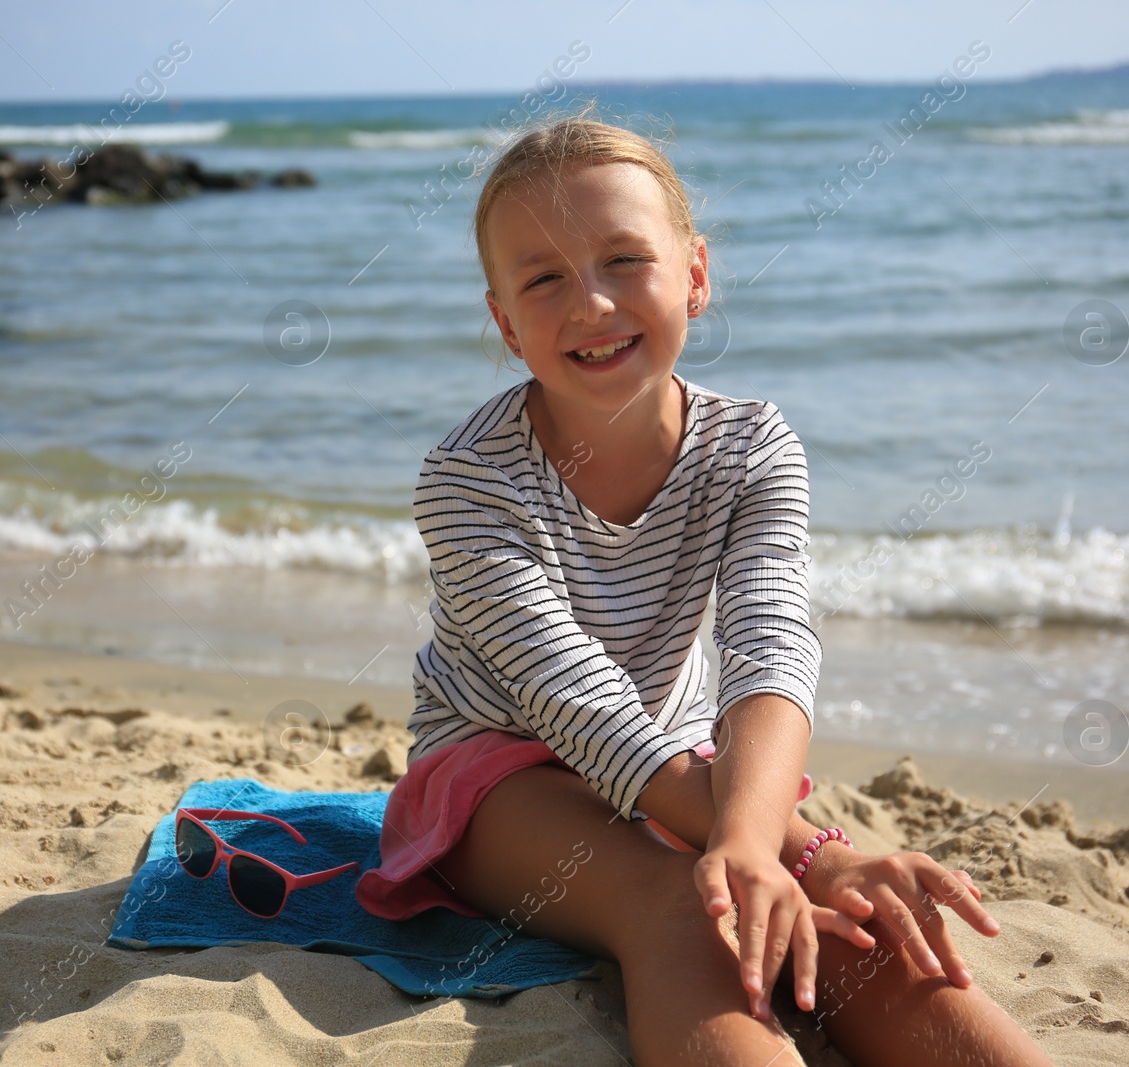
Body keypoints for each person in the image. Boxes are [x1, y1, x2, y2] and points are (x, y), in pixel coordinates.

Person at [355, 110, 1055, 1067]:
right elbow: (574, 705)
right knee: (693, 911)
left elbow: (771, 645)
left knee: (856, 916)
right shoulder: (469, 479)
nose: (591, 304)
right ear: (506, 322)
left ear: (694, 273)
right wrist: (789, 847)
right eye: (545, 278)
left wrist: (799, 852)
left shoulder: (754, 445)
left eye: (624, 260)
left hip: (686, 764)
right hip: (503, 772)